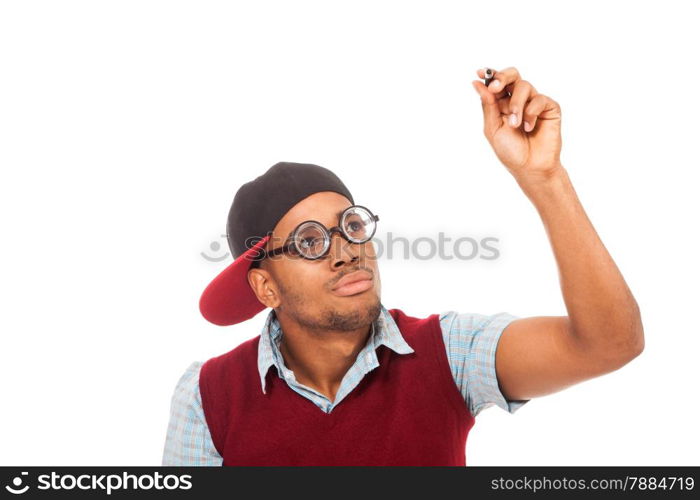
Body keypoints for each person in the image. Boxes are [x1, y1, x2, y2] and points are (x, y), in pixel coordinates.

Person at [161, 66, 644, 466]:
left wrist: (545, 178)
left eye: (350, 225)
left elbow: (608, 344)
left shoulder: (449, 353)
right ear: (266, 287)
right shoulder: (207, 397)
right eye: (309, 242)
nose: (346, 250)